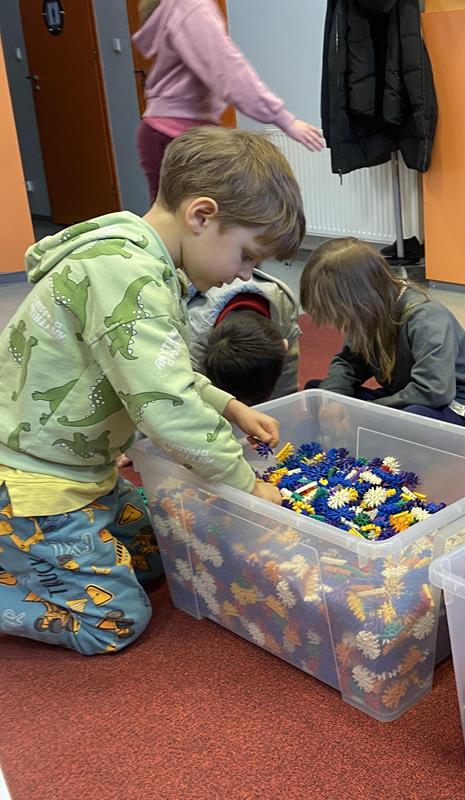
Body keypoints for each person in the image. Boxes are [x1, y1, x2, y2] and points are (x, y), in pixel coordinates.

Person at [0, 127, 301, 654]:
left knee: (166, 547)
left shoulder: (145, 265)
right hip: (36, 484)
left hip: (85, 470)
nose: (242, 277)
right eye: (246, 256)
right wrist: (246, 485)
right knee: (116, 621)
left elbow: (162, 373)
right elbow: (165, 405)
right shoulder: (126, 274)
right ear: (201, 216)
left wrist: (229, 406)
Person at [133, 0, 324, 202]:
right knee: (197, 215)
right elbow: (227, 70)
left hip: (172, 131)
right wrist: (283, 119)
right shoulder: (190, 5)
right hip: (173, 135)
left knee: (186, 214)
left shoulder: (181, 6)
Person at [301, 238, 465, 429]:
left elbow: (433, 391)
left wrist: (364, 414)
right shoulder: (367, 315)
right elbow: (349, 363)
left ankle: (364, 429)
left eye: (340, 315)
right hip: (405, 396)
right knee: (318, 393)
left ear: (360, 300)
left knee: (413, 417)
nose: (338, 324)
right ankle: (363, 427)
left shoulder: (427, 318)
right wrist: (332, 399)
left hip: (451, 405)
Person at [188, 268, 302, 404]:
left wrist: (282, 407)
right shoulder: (193, 340)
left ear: (284, 346)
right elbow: (191, 394)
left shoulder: (283, 307)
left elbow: (286, 387)